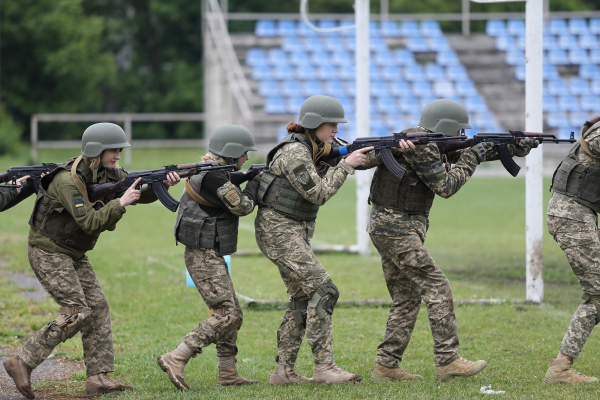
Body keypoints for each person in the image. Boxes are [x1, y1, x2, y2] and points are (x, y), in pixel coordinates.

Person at [3, 123, 180, 399]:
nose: (119, 155)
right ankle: (22, 362)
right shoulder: (67, 181)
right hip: (48, 250)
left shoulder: (106, 172)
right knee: (76, 312)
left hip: (73, 251)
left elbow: (133, 188)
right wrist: (119, 204)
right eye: (114, 150)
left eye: (120, 149)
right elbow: (89, 222)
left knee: (97, 307)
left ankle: (97, 378)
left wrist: (159, 185)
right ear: (96, 151)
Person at [366, 99, 538, 382]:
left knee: (407, 298)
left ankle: (386, 366)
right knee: (437, 287)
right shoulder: (420, 146)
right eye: (459, 131)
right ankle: (447, 360)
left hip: (393, 228)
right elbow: (446, 186)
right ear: (445, 127)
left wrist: (512, 147)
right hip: (396, 229)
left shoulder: (432, 145)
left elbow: (464, 152)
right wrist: (474, 155)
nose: (462, 137)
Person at [255, 95, 373, 385]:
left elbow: (349, 154)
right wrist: (345, 165)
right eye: (331, 125)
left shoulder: (316, 147)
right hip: (279, 231)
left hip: (292, 230)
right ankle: (324, 367)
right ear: (314, 125)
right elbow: (318, 193)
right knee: (325, 290)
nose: (335, 130)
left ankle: (283, 372)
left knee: (302, 297)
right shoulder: (295, 153)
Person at [157, 125, 261, 390]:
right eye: (244, 154)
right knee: (228, 315)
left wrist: (244, 176)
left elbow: (229, 185)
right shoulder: (213, 176)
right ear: (231, 153)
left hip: (206, 252)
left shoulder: (211, 169)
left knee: (231, 312)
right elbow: (243, 206)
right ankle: (177, 356)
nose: (246, 158)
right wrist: (256, 183)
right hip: (203, 255)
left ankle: (228, 373)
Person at [544, 116, 600, 384]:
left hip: (578, 215)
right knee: (598, 293)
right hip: (572, 218)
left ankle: (561, 367)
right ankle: (560, 368)